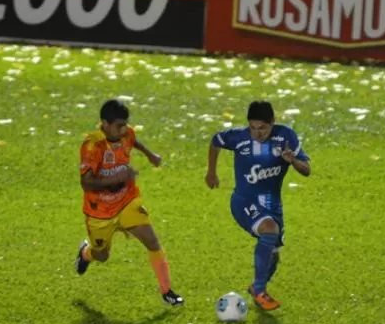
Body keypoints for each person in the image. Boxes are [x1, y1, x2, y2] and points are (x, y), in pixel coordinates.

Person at [74, 99, 183, 306]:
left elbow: (133, 140)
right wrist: (117, 178)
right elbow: (86, 183)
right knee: (102, 255)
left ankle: (167, 291)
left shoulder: (126, 133)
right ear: (104, 124)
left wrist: (150, 155)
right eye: (119, 125)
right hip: (100, 213)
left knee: (152, 241)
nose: (124, 129)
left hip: (127, 201)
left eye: (125, 124)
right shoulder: (92, 145)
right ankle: (86, 253)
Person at [205, 101, 311, 311]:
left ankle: (256, 287)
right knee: (269, 229)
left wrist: (292, 161)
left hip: (273, 206)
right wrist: (211, 172)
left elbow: (306, 170)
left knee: (273, 256)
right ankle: (261, 291)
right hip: (243, 202)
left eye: (262, 128)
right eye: (253, 127)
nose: (257, 133)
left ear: (273, 123)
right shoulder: (238, 137)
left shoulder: (286, 136)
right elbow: (215, 140)